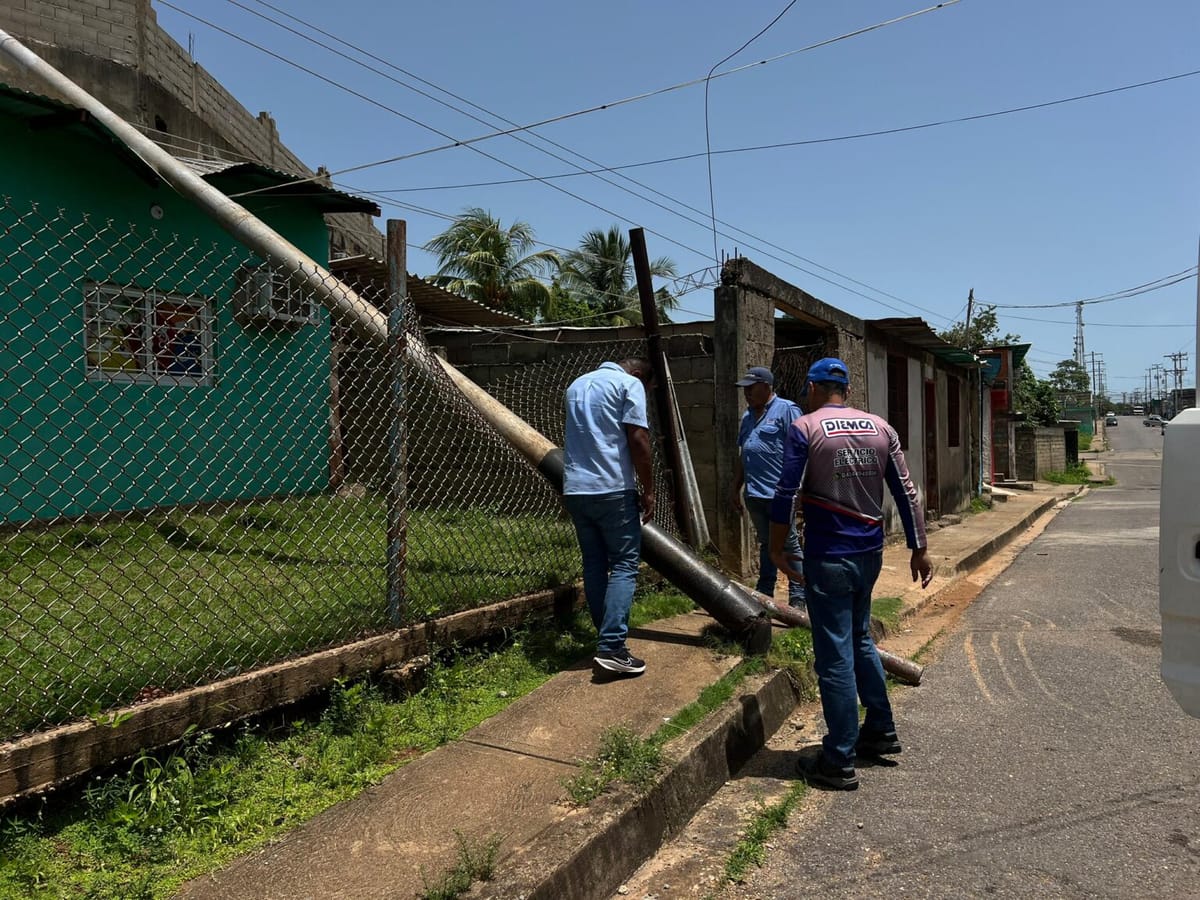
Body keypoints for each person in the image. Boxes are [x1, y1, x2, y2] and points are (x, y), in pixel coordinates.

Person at [769, 357, 933, 790]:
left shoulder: (805, 428)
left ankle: (838, 758)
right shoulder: (881, 428)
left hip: (828, 557)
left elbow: (786, 492)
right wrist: (919, 549)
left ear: (812, 387)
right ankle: (879, 731)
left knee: (835, 655)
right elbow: (905, 490)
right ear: (845, 390)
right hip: (869, 555)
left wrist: (776, 546)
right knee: (860, 639)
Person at [562, 358, 656, 676]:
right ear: (640, 376)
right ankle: (612, 647)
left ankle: (606, 642)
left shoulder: (575, 385)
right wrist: (649, 489)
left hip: (575, 488)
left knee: (594, 564)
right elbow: (639, 438)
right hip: (612, 489)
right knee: (625, 565)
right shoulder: (628, 385)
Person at [730, 366, 806, 609]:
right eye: (745, 389)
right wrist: (735, 488)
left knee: (789, 543)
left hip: (780, 494)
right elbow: (745, 454)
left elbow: (801, 452)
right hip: (754, 493)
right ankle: (765, 592)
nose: (747, 393)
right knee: (766, 543)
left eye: (751, 388)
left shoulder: (787, 410)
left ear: (766, 386)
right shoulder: (747, 416)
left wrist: (799, 490)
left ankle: (798, 596)